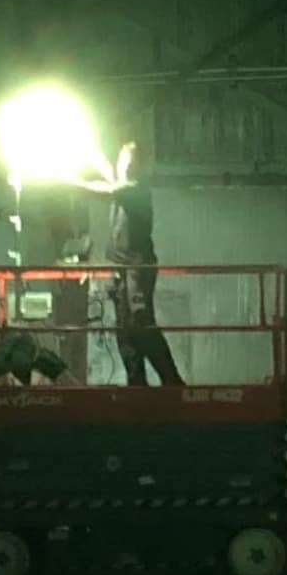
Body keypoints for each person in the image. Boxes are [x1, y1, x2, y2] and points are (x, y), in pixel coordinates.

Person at [103, 139, 185, 390]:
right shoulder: (122, 190)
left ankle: (172, 381)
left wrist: (67, 179)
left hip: (137, 267)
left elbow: (102, 189)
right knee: (124, 330)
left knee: (140, 321)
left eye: (132, 161)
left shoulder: (136, 189)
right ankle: (136, 383)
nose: (127, 165)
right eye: (124, 160)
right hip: (121, 268)